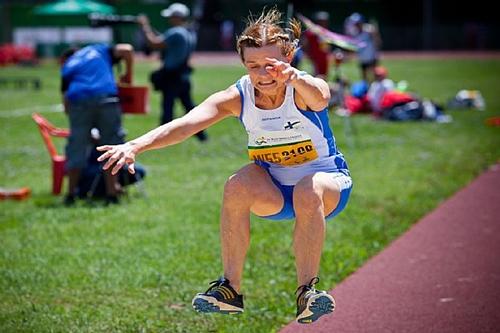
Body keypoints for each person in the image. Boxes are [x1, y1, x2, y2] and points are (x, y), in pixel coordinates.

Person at [97, 8, 352, 324]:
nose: (262, 74)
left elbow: (322, 97)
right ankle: (230, 290)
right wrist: (135, 145)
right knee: (236, 185)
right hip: (274, 192)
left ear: (288, 58)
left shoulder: (302, 87)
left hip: (326, 186)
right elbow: (187, 123)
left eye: (271, 65)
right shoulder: (240, 94)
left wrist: (296, 77)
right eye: (253, 66)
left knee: (307, 188)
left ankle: (307, 292)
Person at [60, 43, 134, 205]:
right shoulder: (98, 49)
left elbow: (66, 105)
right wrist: (128, 76)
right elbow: (127, 50)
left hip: (79, 102)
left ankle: (71, 194)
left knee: (76, 147)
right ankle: (112, 193)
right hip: (107, 99)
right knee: (112, 146)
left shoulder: (68, 65)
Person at [137, 2, 207, 141]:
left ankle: (163, 137)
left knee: (168, 107)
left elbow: (154, 43)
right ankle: (201, 135)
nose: (169, 19)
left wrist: (144, 27)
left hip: (172, 76)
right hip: (183, 75)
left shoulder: (175, 32)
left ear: (177, 17)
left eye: (171, 16)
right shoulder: (189, 32)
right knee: (189, 107)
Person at [344, 13, 382, 82]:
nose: (357, 25)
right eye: (355, 24)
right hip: (362, 58)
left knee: (375, 76)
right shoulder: (354, 33)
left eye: (358, 23)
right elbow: (352, 46)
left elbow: (377, 41)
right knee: (364, 78)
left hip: (371, 57)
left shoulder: (369, 30)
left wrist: (375, 34)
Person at [301, 11, 332, 79]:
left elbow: (326, 45)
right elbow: (305, 43)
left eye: (325, 21)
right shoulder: (312, 31)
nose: (324, 23)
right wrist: (308, 55)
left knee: (324, 76)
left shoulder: (325, 32)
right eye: (322, 21)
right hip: (315, 58)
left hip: (324, 58)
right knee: (315, 77)